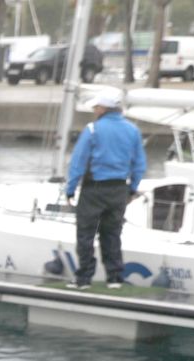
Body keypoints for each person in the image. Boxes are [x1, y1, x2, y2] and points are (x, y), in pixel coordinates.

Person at [64, 87, 145, 290]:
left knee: (86, 233)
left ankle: (83, 278)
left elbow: (78, 162)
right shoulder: (133, 130)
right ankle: (114, 277)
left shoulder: (93, 129)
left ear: (103, 108)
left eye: (96, 107)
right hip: (119, 189)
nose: (94, 110)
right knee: (112, 233)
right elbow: (139, 164)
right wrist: (132, 189)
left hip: (94, 189)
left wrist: (70, 189)